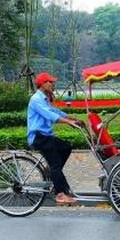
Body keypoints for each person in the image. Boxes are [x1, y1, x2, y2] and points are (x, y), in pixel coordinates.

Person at [27, 72, 80, 206]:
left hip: (46, 137)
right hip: (39, 137)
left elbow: (55, 111)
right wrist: (67, 122)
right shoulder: (36, 99)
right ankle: (60, 195)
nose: (53, 84)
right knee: (55, 163)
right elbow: (49, 115)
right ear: (43, 84)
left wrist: (72, 118)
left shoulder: (44, 98)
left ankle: (53, 173)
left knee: (66, 147)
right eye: (50, 82)